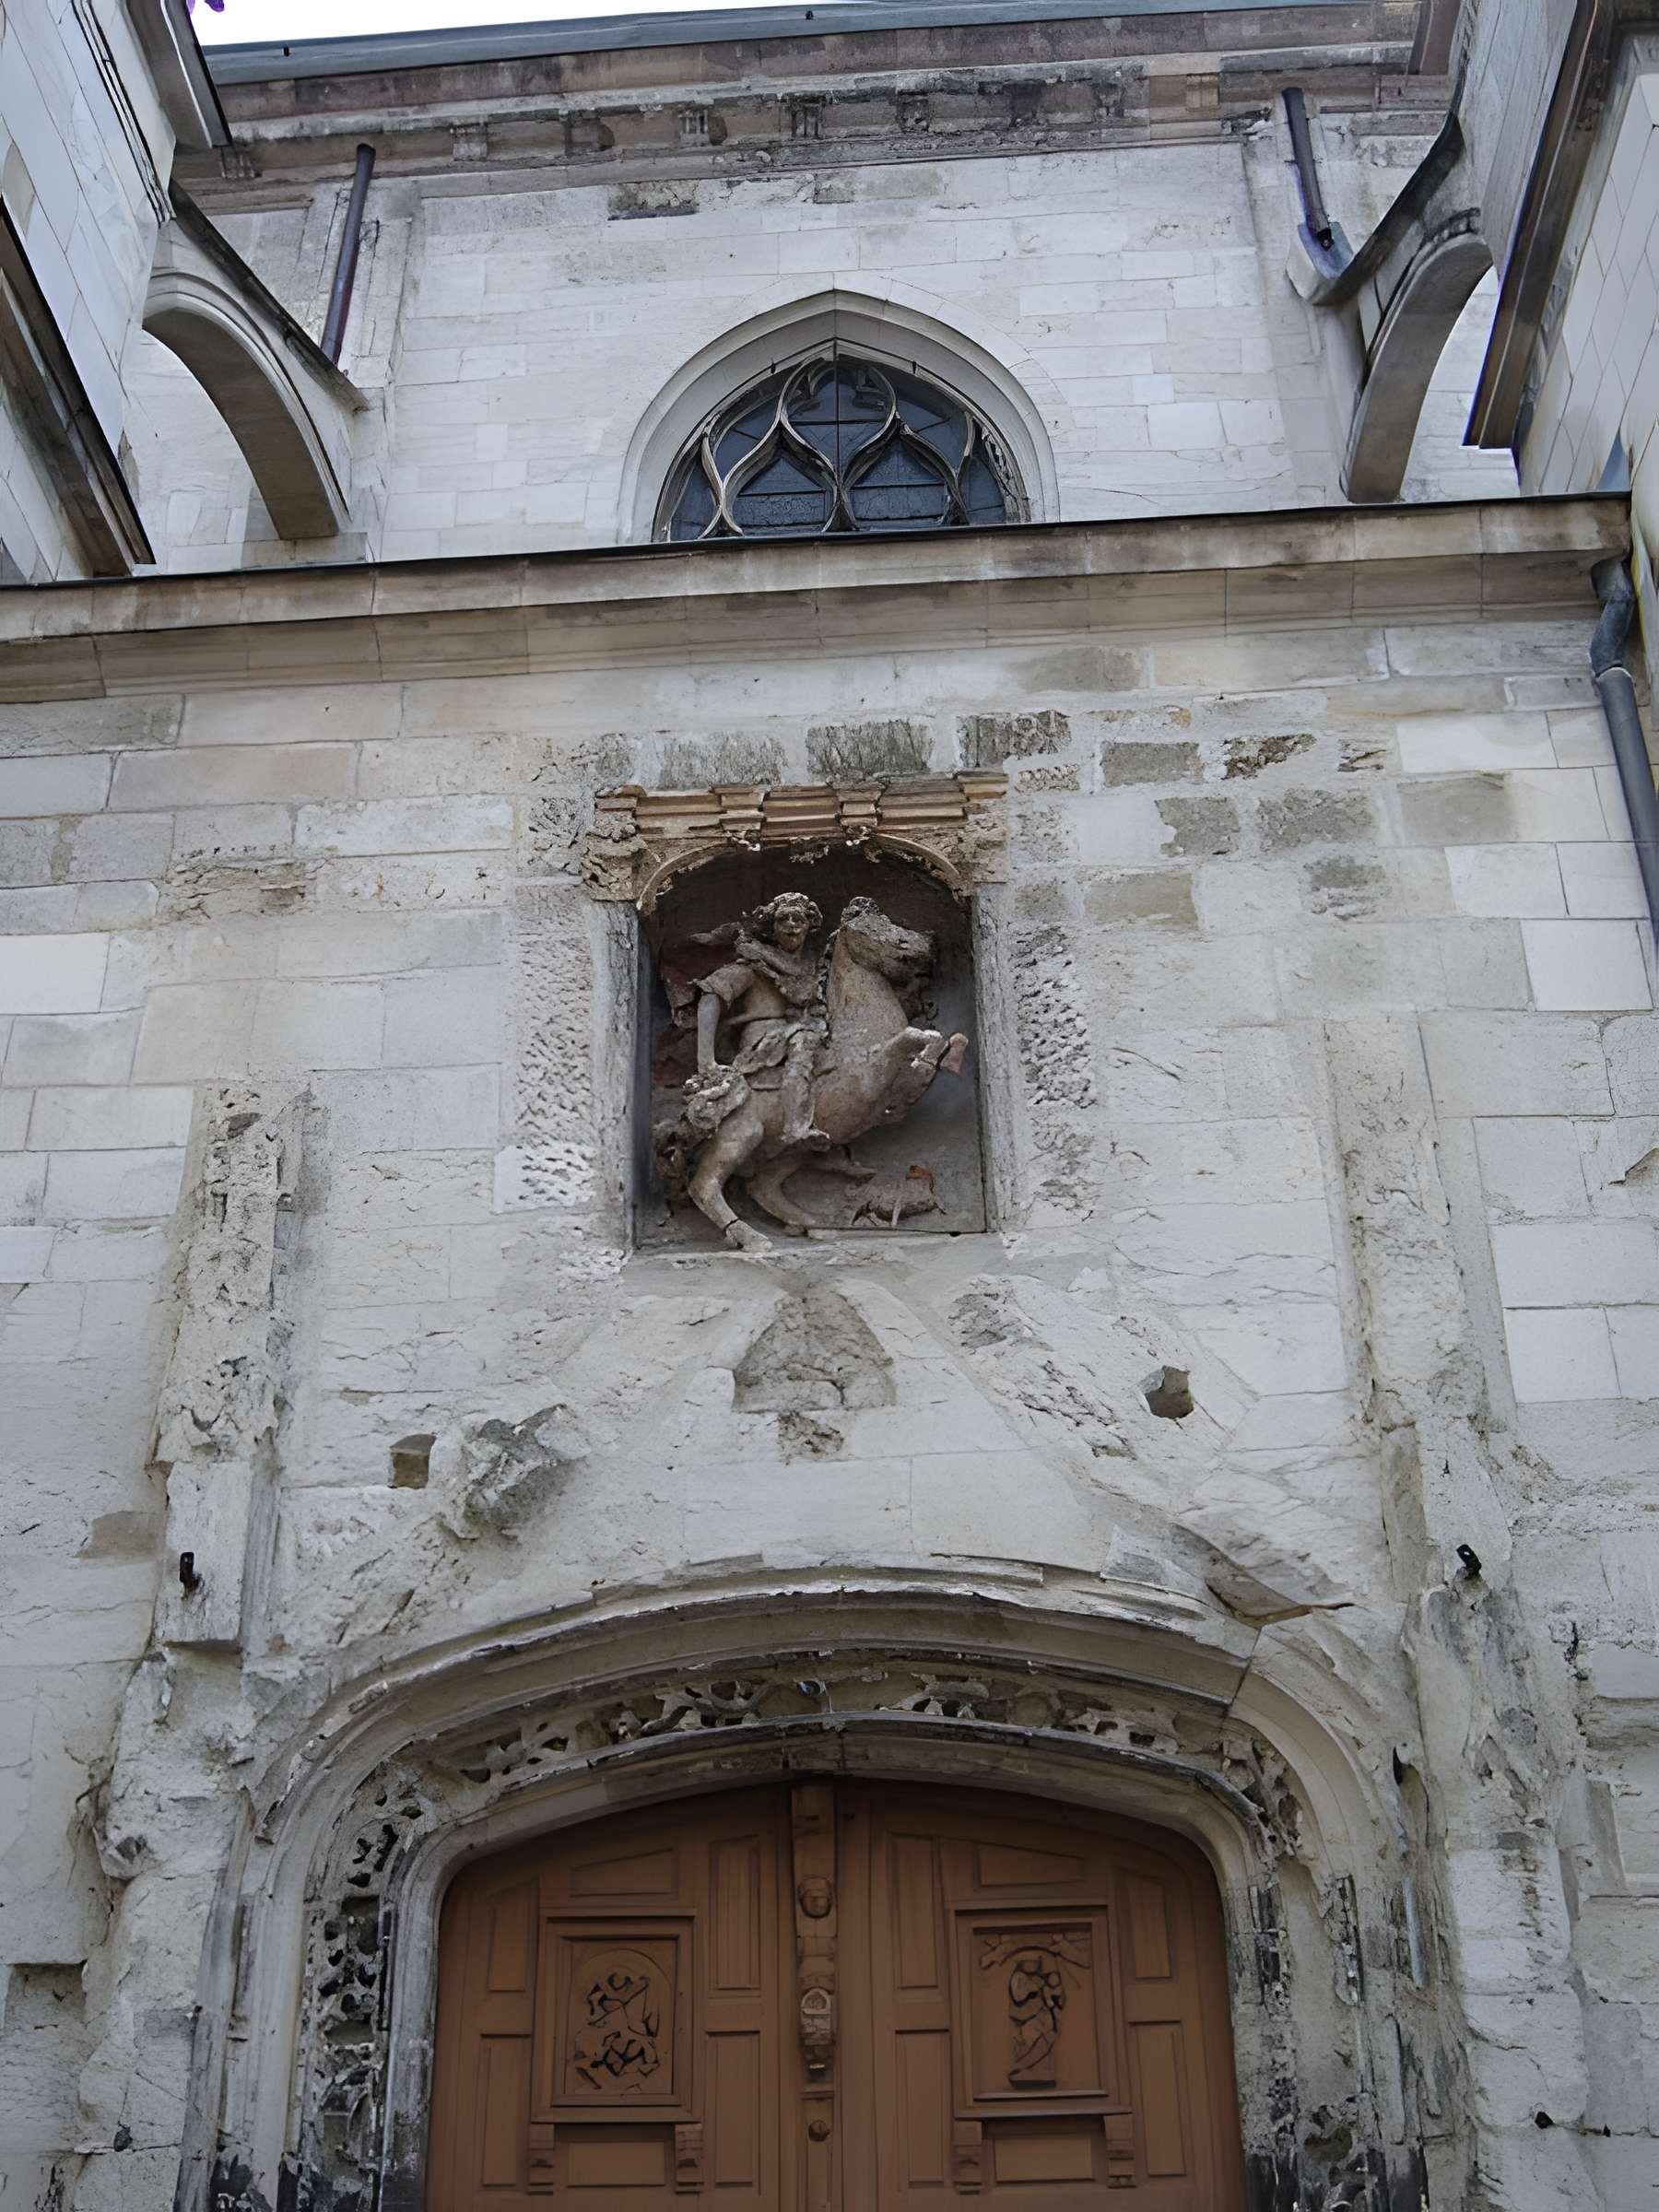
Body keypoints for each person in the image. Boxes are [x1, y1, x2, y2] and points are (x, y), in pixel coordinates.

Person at [693, 890, 830, 1149]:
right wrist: (706, 1062)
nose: (791, 925)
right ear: (772, 928)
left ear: (809, 926)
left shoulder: (814, 969)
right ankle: (796, 1127)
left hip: (813, 1034)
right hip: (764, 1045)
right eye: (783, 919)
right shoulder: (756, 965)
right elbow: (710, 995)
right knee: (802, 1040)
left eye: (798, 919)